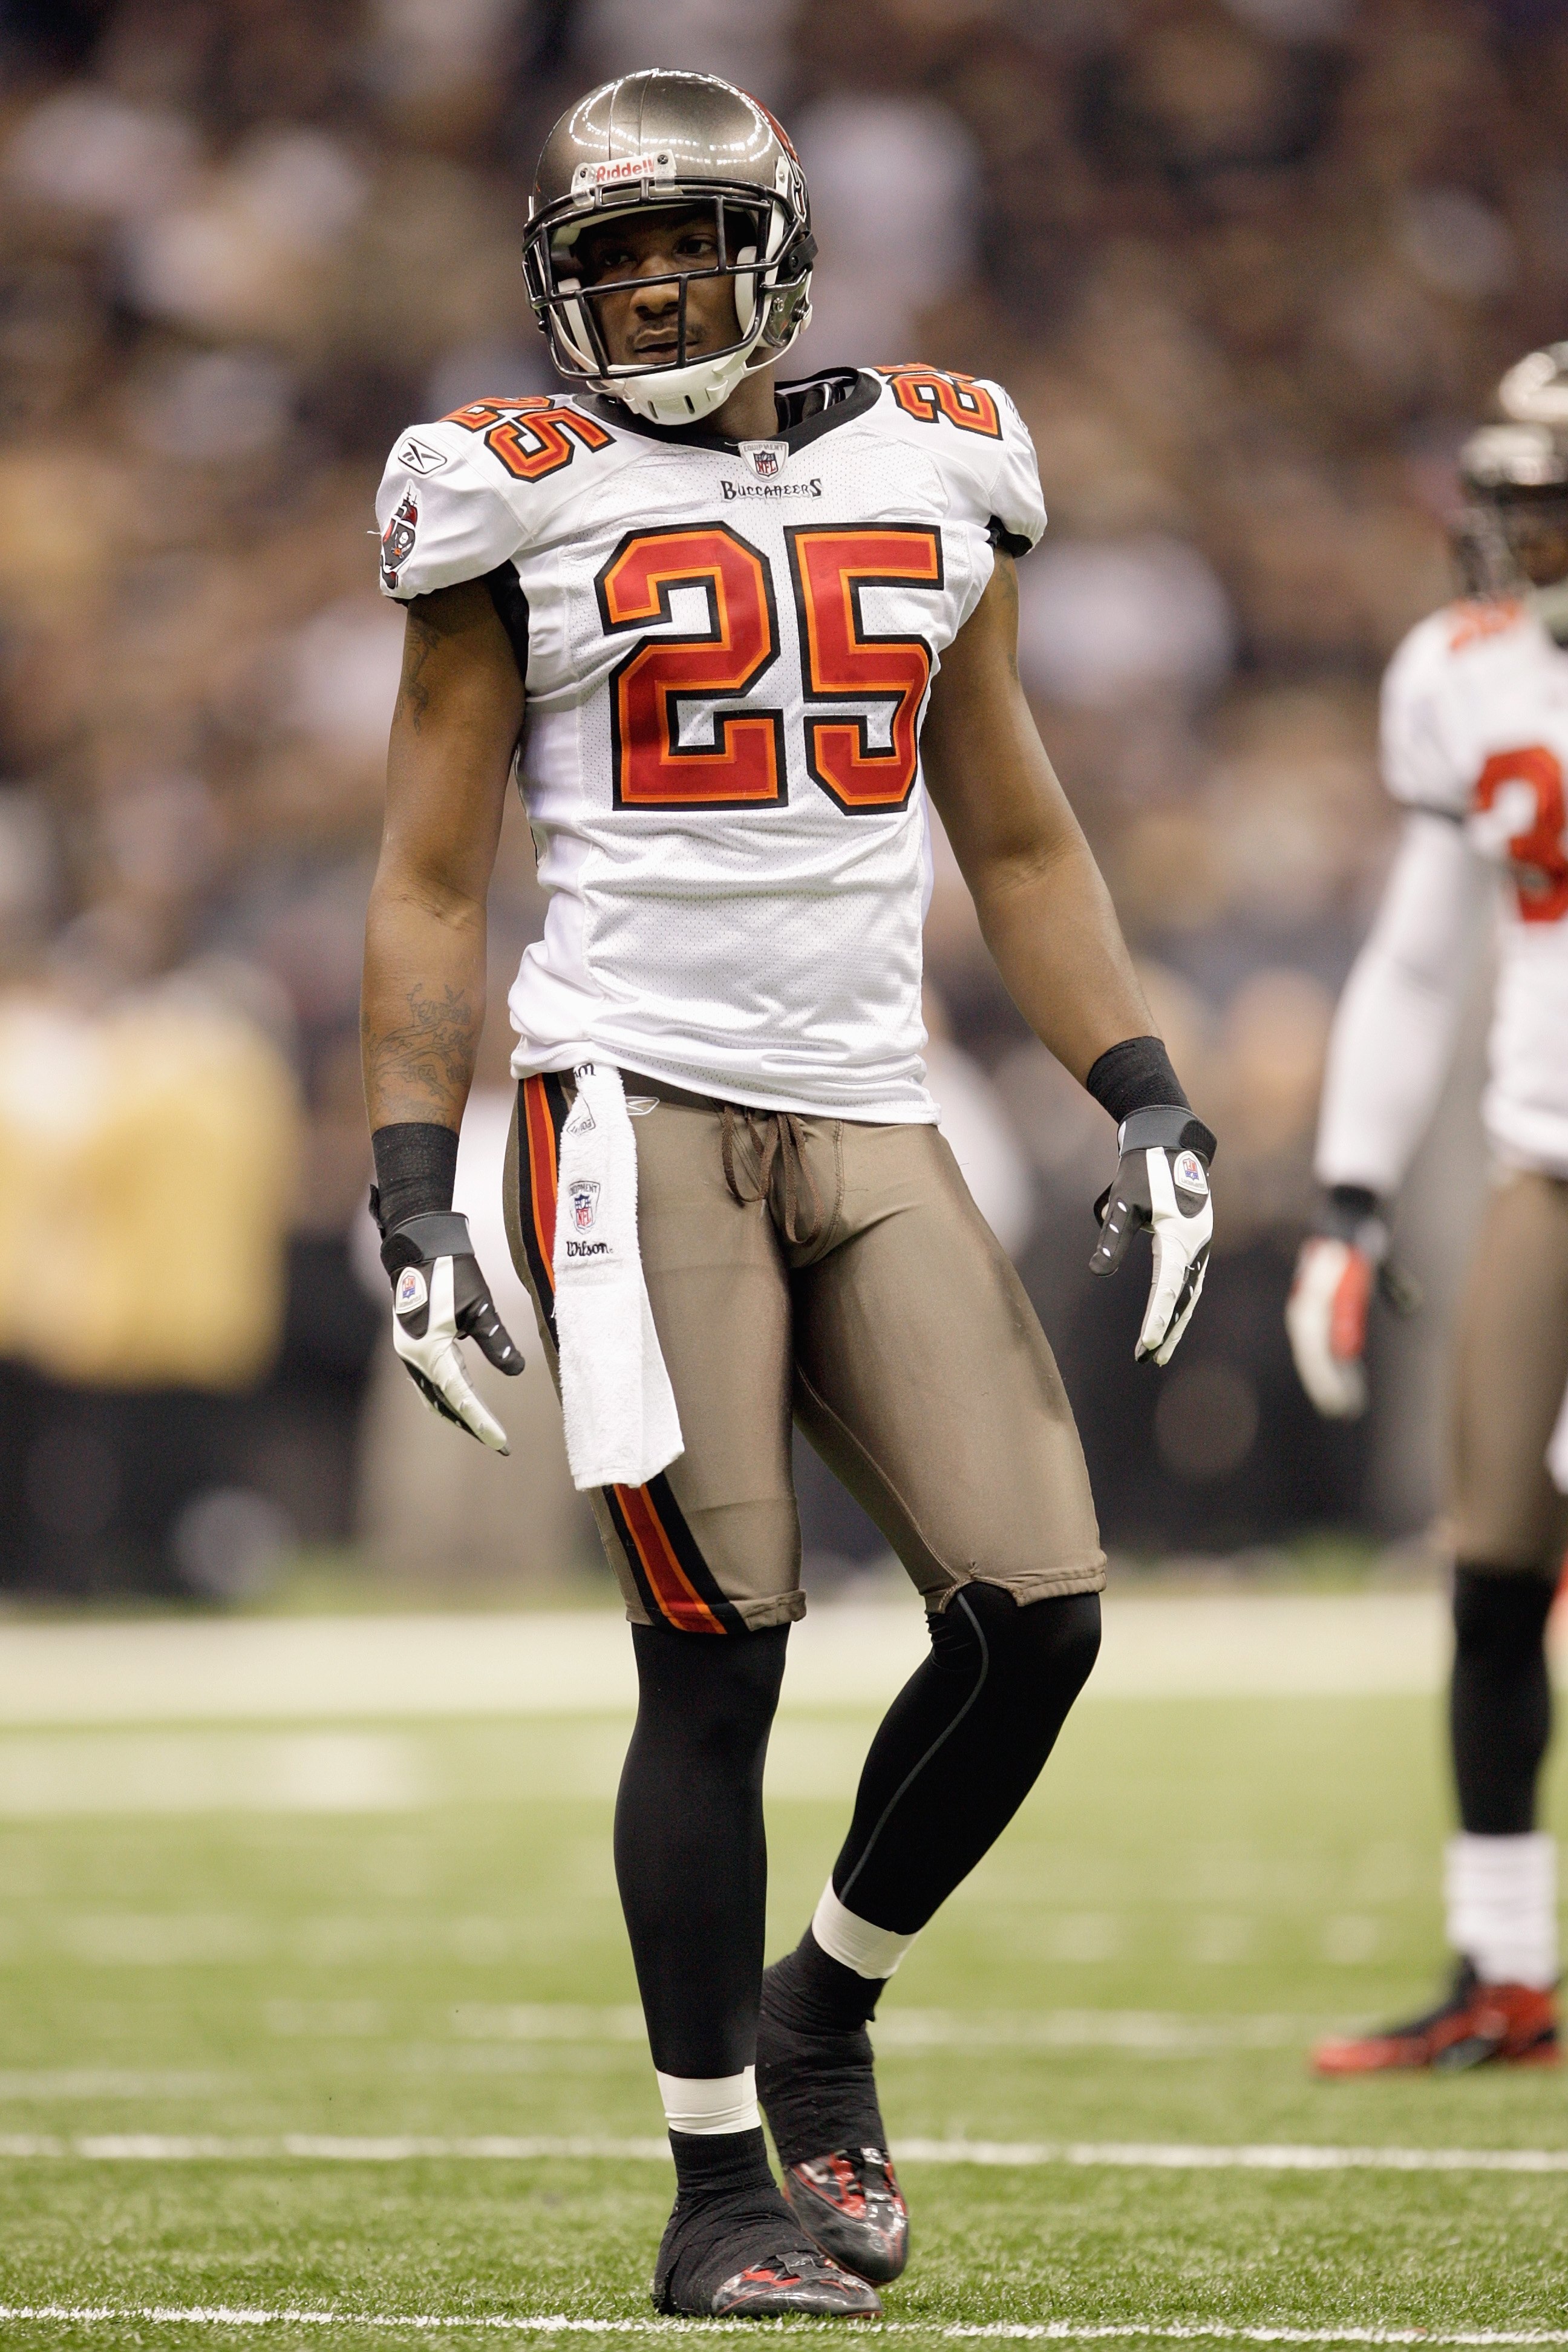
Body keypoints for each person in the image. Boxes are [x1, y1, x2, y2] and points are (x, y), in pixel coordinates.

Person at [361, 71, 1215, 2317]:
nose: (650, 289)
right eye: (609, 257)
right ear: (558, 285)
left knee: (1041, 1614)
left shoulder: (938, 456)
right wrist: (411, 1185)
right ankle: (717, 2190)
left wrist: (1142, 1089)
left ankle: (818, 2009)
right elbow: (433, 880)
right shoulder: (506, 493)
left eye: (686, 249)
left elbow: (1014, 834)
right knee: (716, 1658)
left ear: (781, 256)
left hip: (869, 1095)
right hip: (625, 1106)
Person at [1288, 345, 1568, 2076]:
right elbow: (1415, 956)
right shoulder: (1464, 674)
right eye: (1516, 499)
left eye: (1555, 502)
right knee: (1490, 1568)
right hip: (1544, 1154)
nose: (1522, 532)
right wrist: (1350, 1197)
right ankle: (1505, 1968)